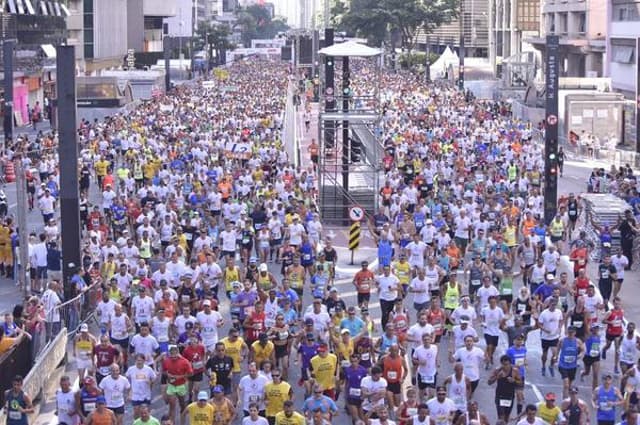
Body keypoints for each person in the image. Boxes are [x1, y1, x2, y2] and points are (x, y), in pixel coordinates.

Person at [488, 354, 522, 423]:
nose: (505, 366)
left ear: (510, 364)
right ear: (501, 364)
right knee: (501, 417)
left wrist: (514, 381)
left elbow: (520, 383)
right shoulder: (497, 370)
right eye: (503, 364)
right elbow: (489, 382)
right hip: (500, 396)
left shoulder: (514, 371)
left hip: (509, 396)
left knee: (506, 416)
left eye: (507, 364)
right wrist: (497, 377)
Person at [557, 326, 584, 399]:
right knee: (566, 384)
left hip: (572, 366)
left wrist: (580, 355)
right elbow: (558, 349)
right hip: (563, 365)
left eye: (572, 332)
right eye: (569, 332)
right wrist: (555, 356)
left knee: (569, 385)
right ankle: (564, 401)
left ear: (575, 333)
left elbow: (583, 350)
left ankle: (567, 397)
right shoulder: (562, 340)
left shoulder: (578, 341)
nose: (570, 334)